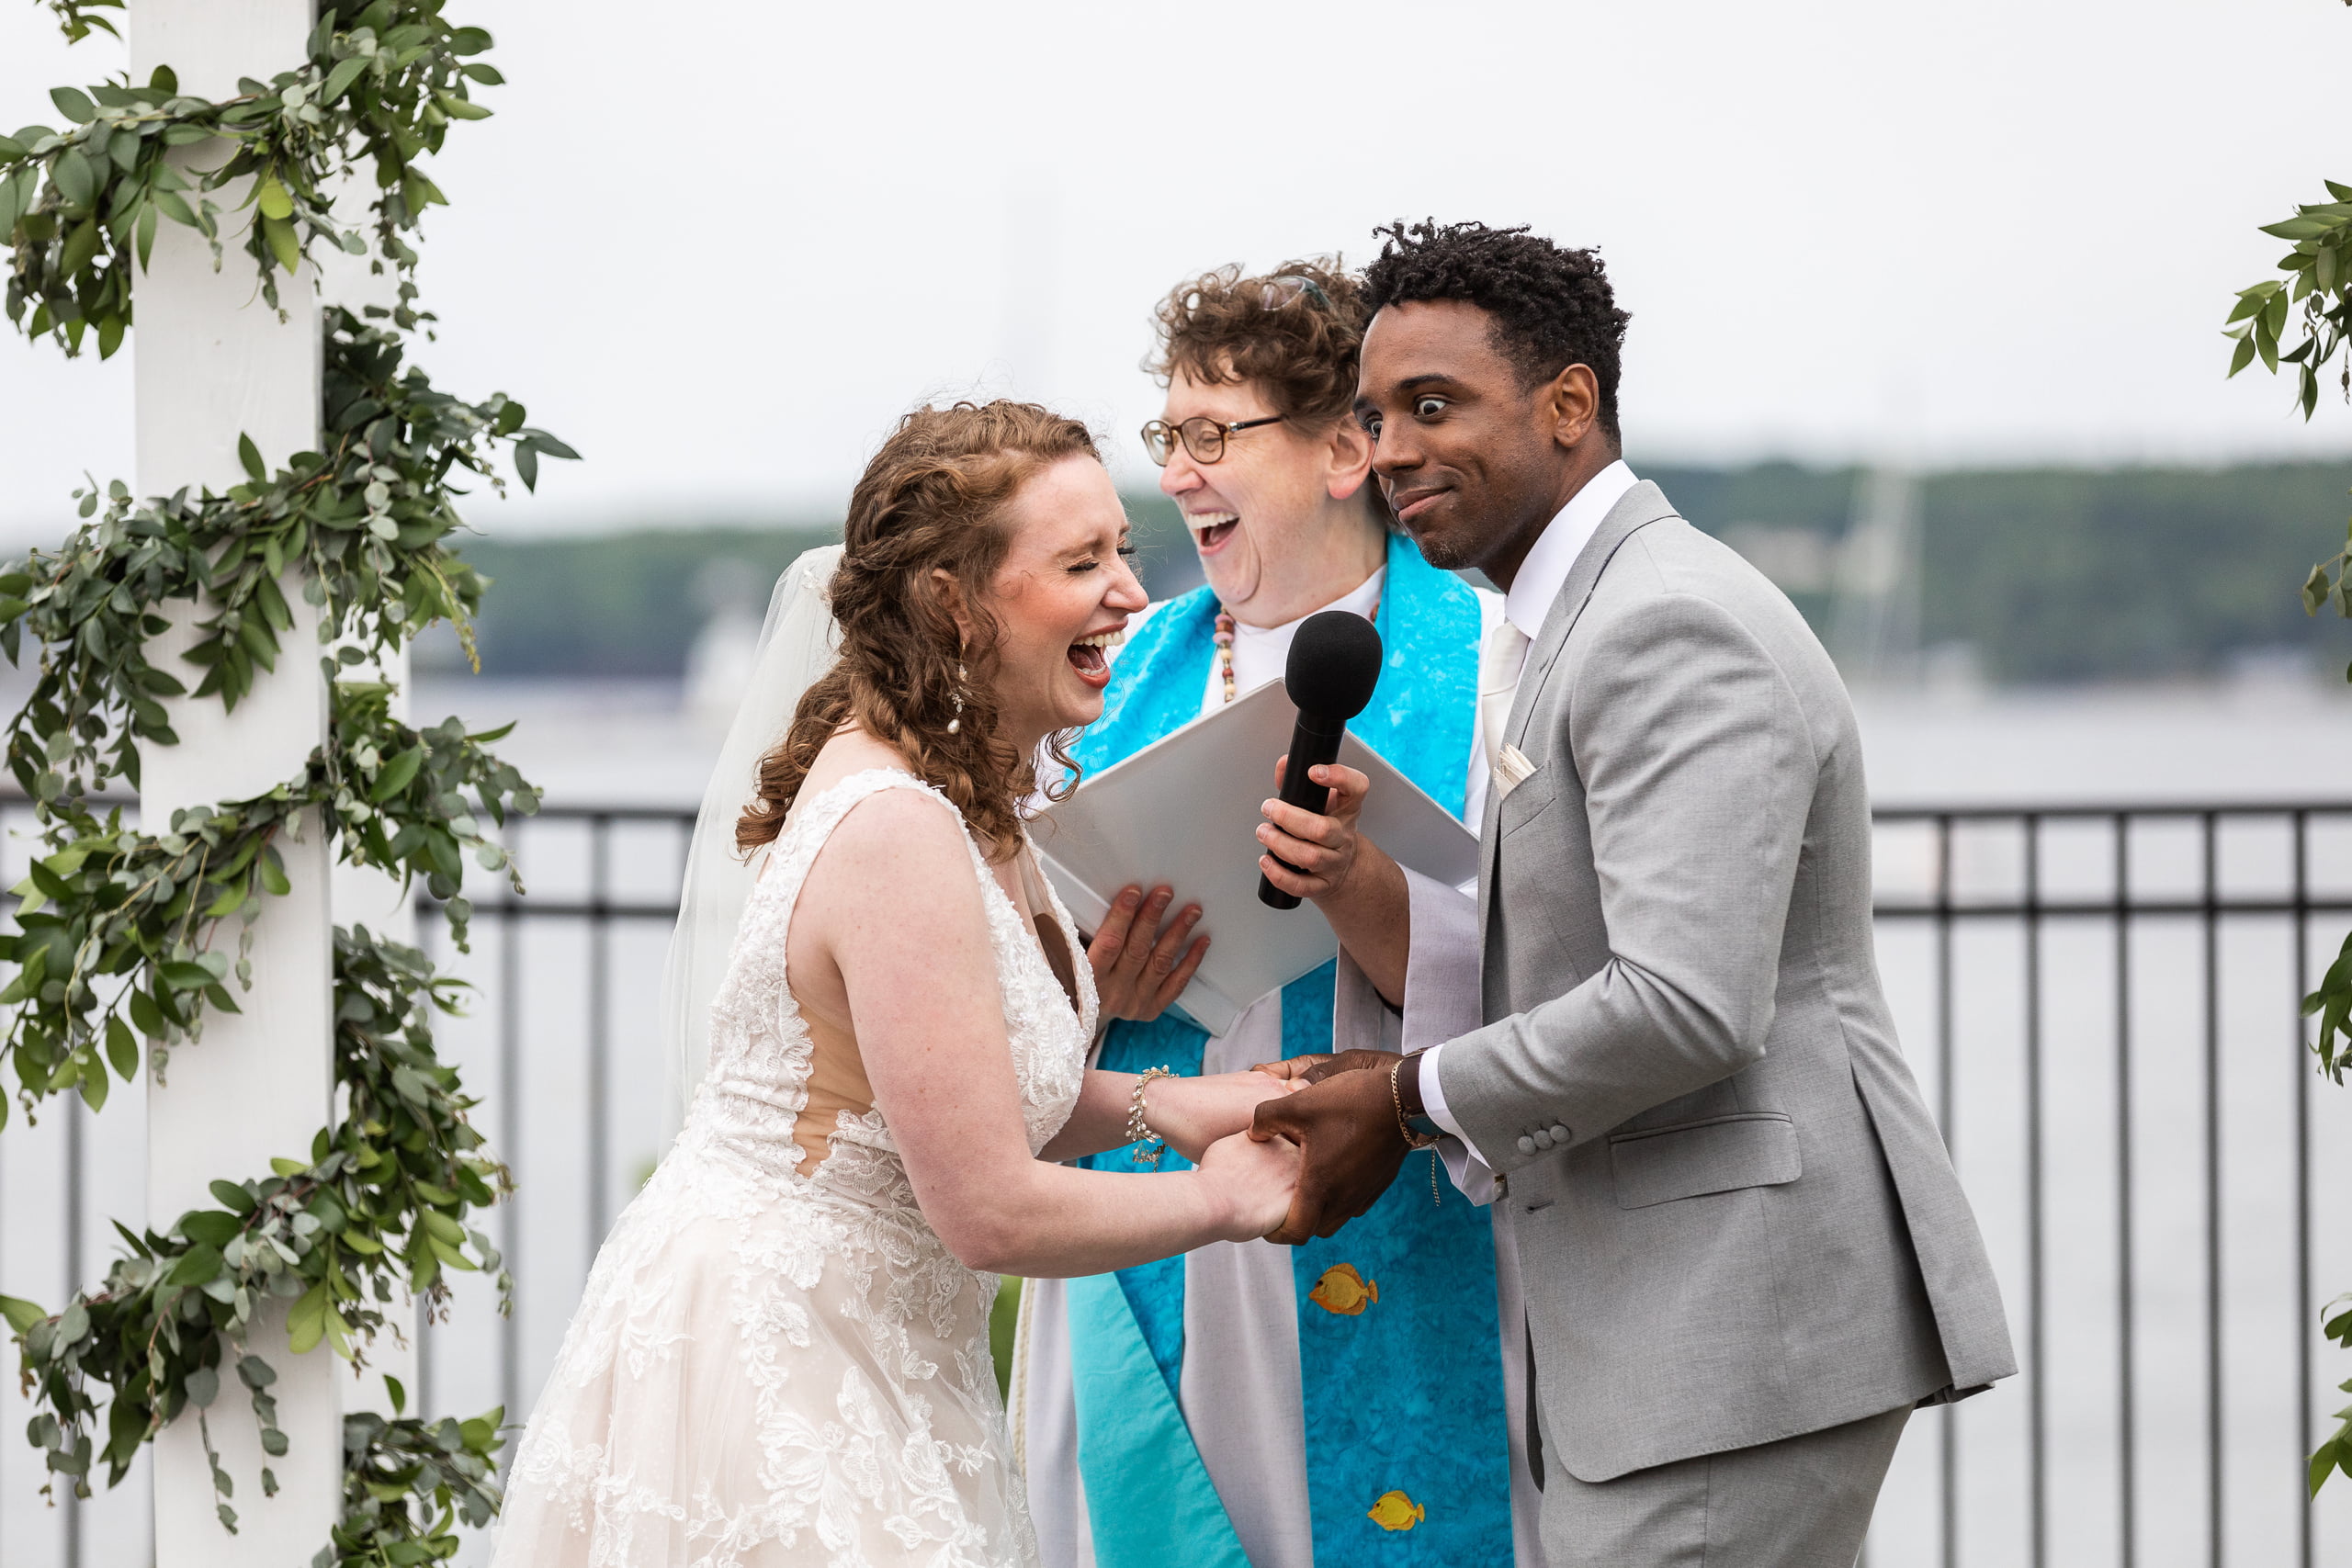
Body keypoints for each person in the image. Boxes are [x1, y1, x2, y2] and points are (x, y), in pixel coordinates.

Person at [1249, 222, 2018, 1567]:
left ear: (1568, 404)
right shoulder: (1571, 616)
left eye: (1436, 405)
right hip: (1679, 1335)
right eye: (1375, 417)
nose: (1393, 453)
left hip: (1732, 1332)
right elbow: (1572, 942)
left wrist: (1405, 1093)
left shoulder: (1667, 621)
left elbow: (1684, 999)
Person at [492, 400, 1302, 1568]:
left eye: (1122, 550)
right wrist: (1232, 1199)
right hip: (783, 1353)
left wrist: (1193, 1104)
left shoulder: (975, 793)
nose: (1131, 591)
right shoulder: (896, 828)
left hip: (890, 1348)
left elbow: (948, 1095)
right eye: (1082, 562)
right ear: (949, 603)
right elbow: (987, 1208)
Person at [1012, 262, 1531, 1568]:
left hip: (1391, 1195)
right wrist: (1090, 980)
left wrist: (1360, 884)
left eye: (1215, 435)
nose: (1179, 475)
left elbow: (1545, 982)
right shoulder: (1121, 668)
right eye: (1167, 437)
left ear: (1348, 446)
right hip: (1158, 1206)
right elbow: (1004, 956)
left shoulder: (1493, 667)